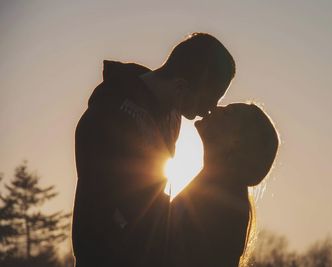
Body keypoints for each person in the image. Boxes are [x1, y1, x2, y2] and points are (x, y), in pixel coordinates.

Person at [72, 33, 235, 267]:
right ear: (181, 86)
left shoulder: (172, 116)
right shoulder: (108, 114)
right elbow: (105, 205)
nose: (210, 110)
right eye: (208, 100)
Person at [170, 103, 279, 267]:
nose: (214, 107)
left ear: (235, 142)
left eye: (227, 113)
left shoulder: (222, 201)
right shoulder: (219, 191)